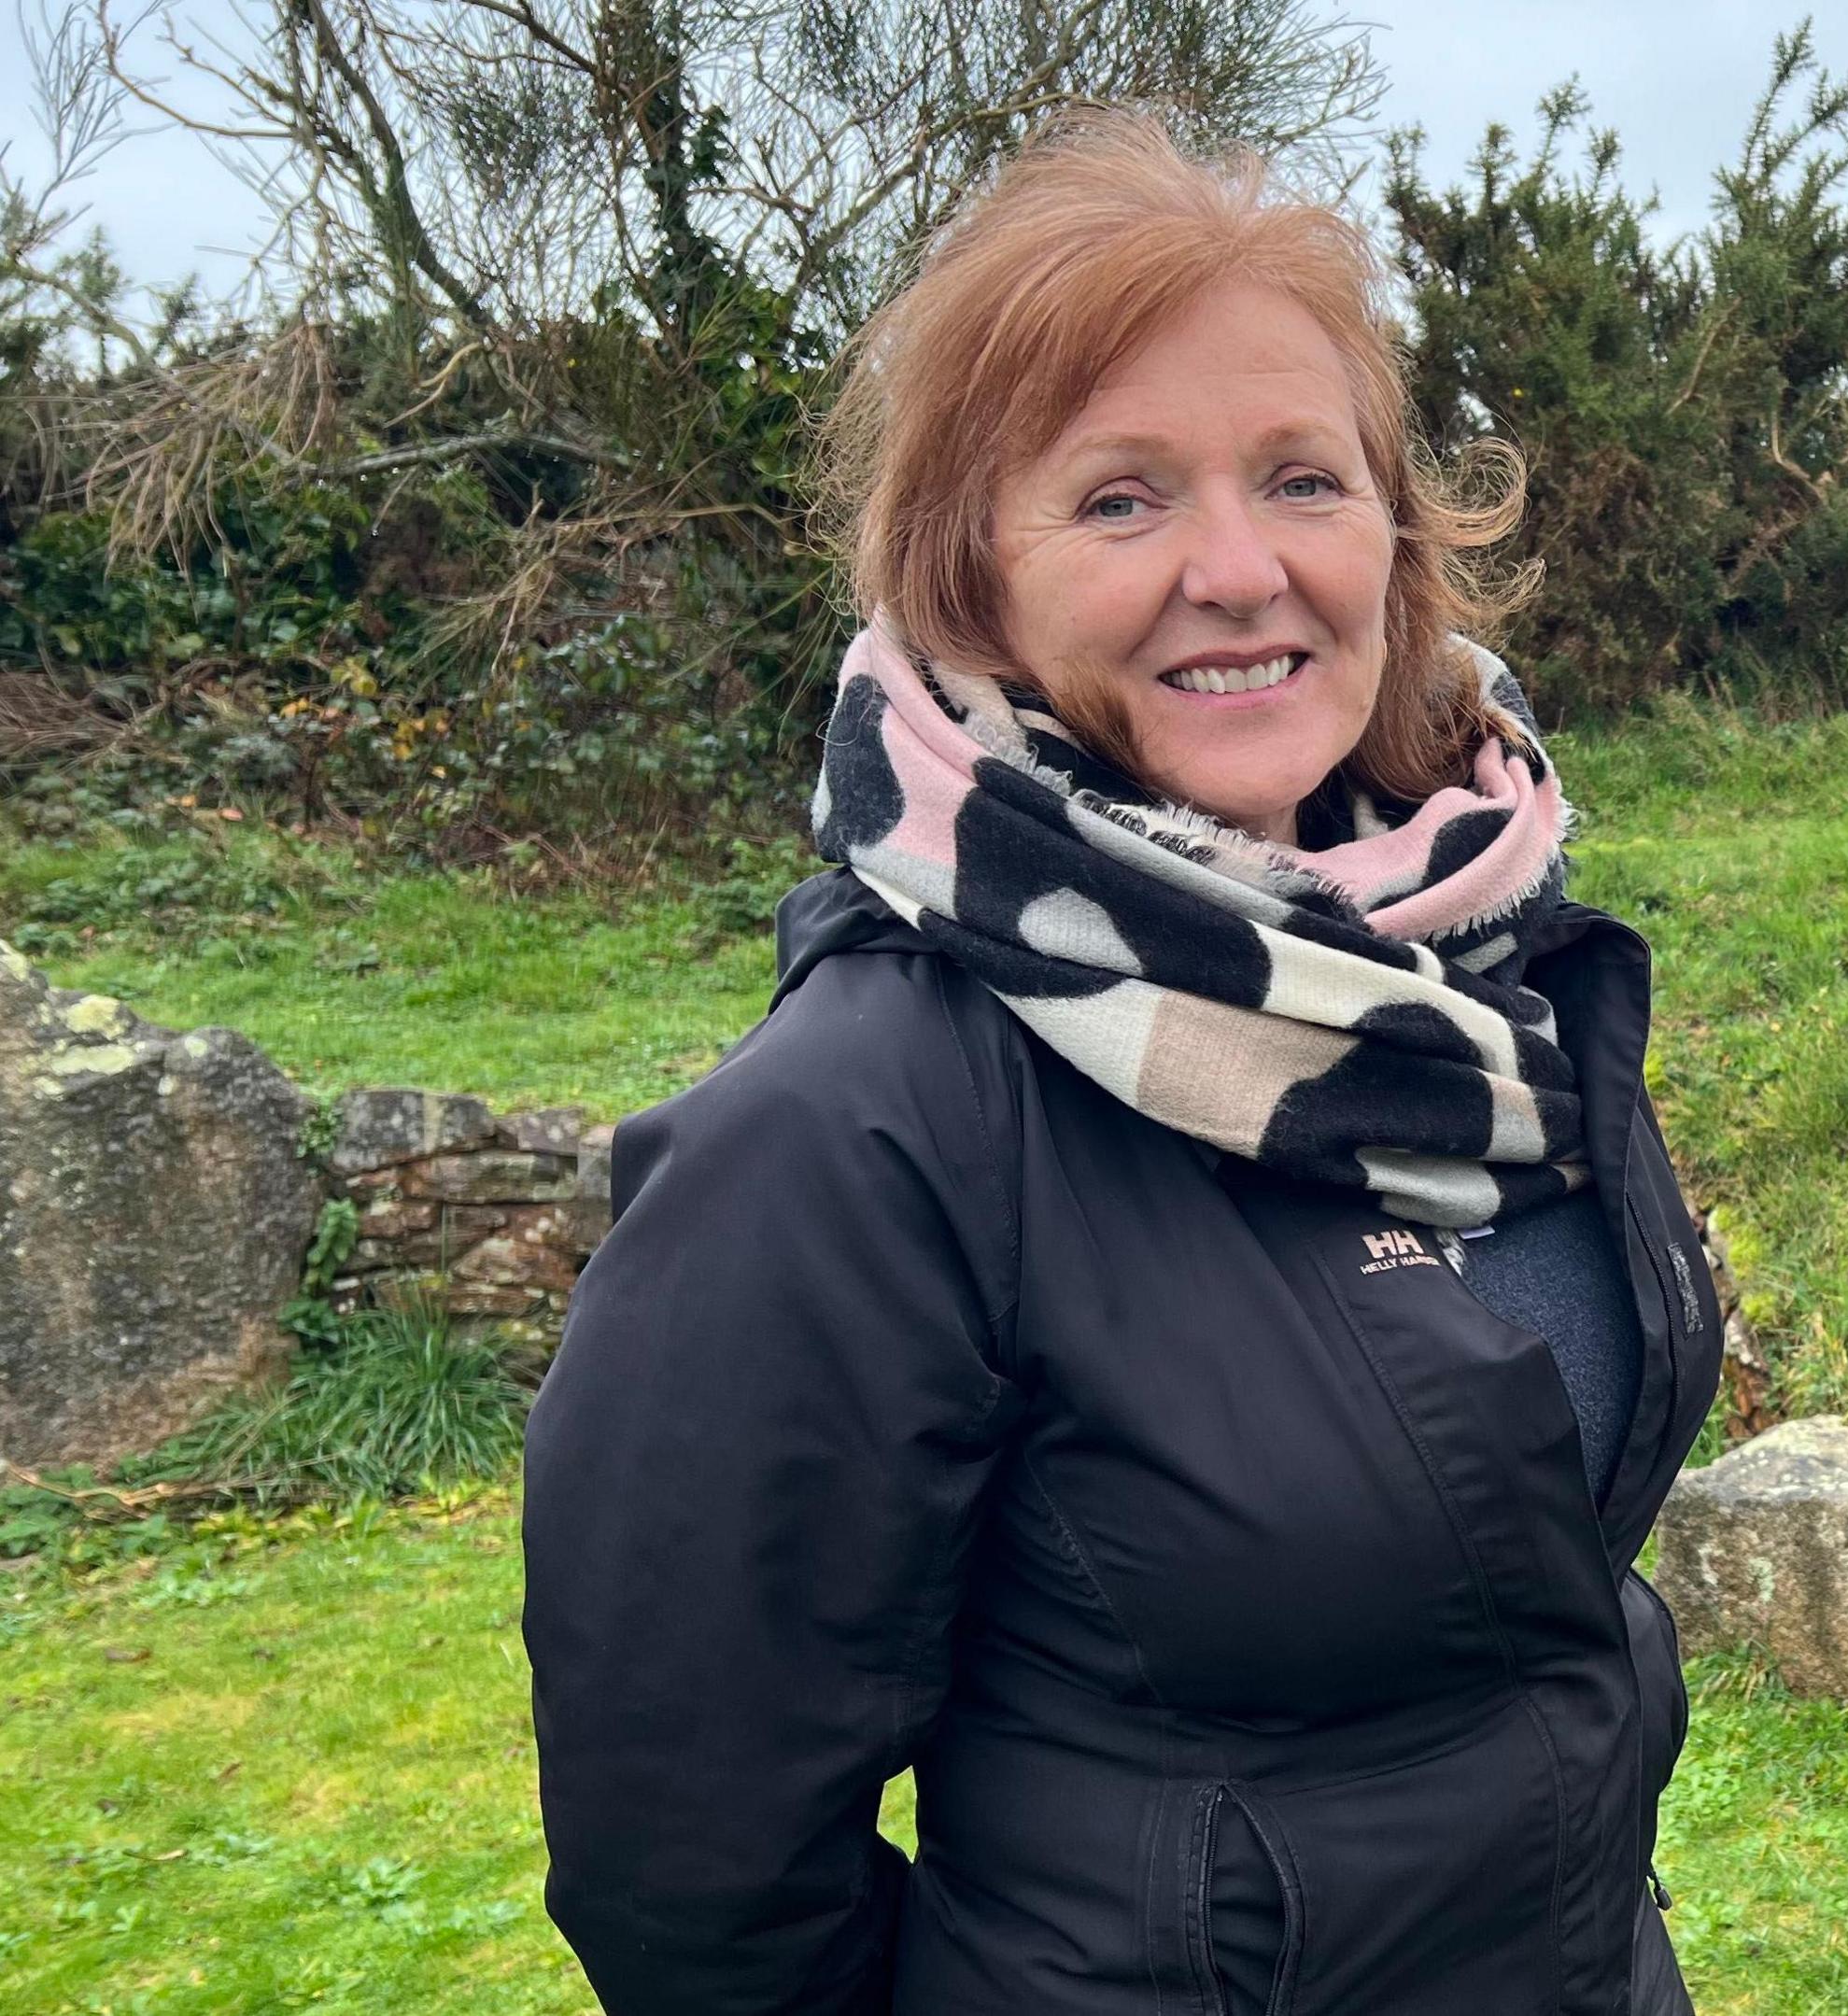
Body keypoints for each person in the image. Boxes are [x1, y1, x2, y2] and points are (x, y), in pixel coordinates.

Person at [520, 110, 1718, 2016]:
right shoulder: (857, 1129)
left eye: (1302, 479)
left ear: (1395, 539)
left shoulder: (1485, 965)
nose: (1240, 569)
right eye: (1121, 500)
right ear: (970, 584)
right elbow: (698, 1879)